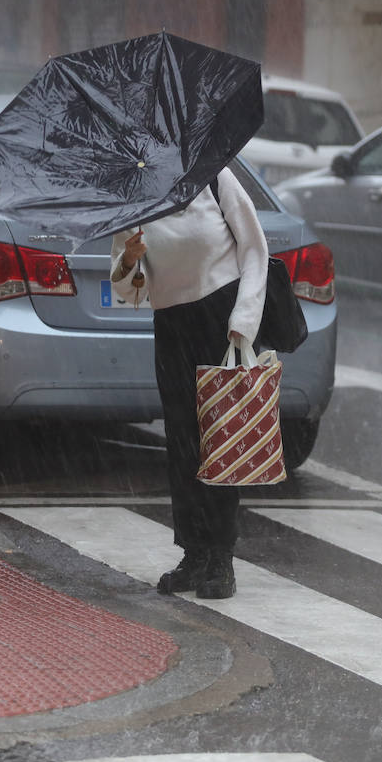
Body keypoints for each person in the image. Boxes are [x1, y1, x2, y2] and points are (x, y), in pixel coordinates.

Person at [109, 166, 269, 599]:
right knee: (182, 440)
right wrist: (130, 258)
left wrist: (244, 319)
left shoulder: (214, 176)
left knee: (221, 437)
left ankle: (221, 557)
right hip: (172, 324)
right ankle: (194, 554)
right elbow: (127, 290)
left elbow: (255, 249)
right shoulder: (133, 197)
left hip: (222, 318)